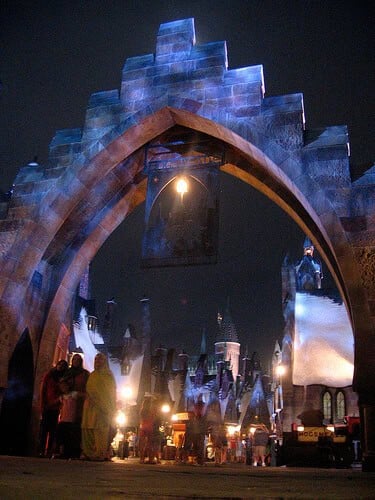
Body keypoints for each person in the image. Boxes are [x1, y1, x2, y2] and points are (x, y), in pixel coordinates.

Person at [81, 353, 116, 461]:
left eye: (100, 359)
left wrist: (105, 405)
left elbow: (110, 393)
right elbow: (89, 389)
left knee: (100, 430)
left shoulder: (108, 375)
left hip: (103, 408)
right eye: (96, 359)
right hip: (90, 407)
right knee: (87, 428)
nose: (97, 361)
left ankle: (99, 453)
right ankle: (88, 452)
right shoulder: (92, 375)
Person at [38, 359, 68, 457]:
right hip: (47, 406)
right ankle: (41, 450)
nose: (61, 367)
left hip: (55, 408)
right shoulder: (49, 375)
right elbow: (43, 390)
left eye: (63, 366)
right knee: (43, 430)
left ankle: (50, 451)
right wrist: (42, 404)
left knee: (52, 430)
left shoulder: (63, 378)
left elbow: (64, 391)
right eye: (60, 364)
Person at [62, 354, 89, 457]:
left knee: (77, 427)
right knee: (67, 427)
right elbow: (62, 384)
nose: (76, 361)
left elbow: (88, 388)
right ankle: (66, 450)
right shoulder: (68, 373)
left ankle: (76, 451)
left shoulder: (85, 374)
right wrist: (66, 392)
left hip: (80, 404)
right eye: (74, 359)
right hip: (68, 404)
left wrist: (80, 394)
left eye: (78, 360)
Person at [54, 379, 79, 459]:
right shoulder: (62, 397)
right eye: (61, 387)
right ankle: (61, 452)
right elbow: (54, 402)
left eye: (64, 386)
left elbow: (84, 395)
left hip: (71, 420)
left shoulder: (73, 394)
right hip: (63, 420)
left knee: (70, 437)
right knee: (61, 436)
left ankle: (69, 453)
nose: (63, 388)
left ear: (68, 386)